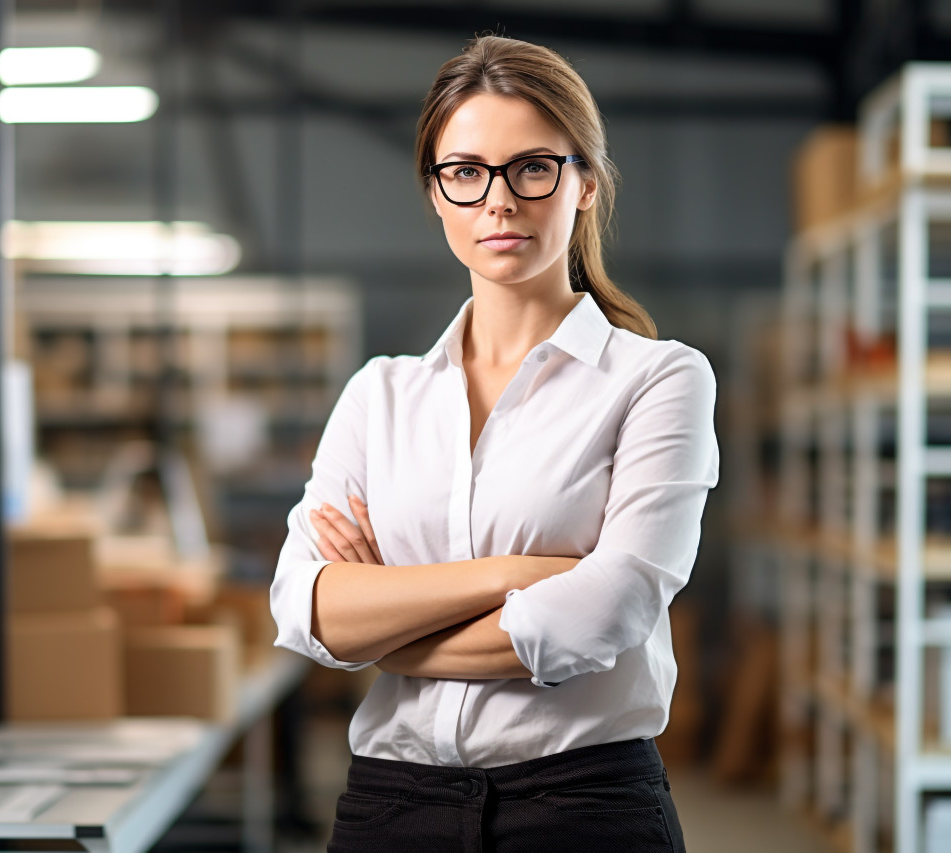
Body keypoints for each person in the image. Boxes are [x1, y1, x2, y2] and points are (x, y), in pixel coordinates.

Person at [269, 34, 719, 853]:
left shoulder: (658, 379)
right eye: (467, 172)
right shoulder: (379, 395)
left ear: (585, 182)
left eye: (532, 168)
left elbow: (606, 610)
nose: (499, 201)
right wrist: (513, 574)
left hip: (581, 809)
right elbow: (307, 607)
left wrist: (386, 627)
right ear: (436, 193)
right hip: (389, 810)